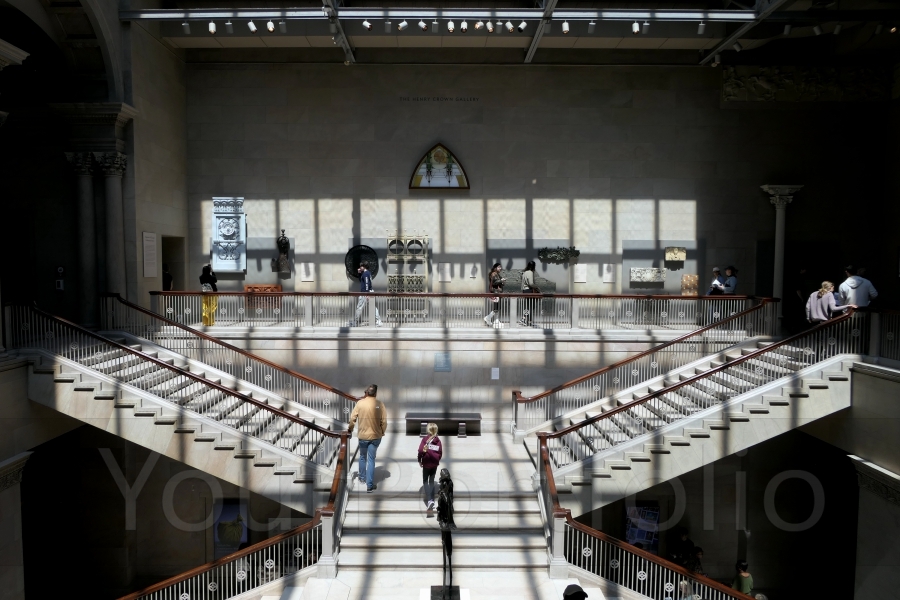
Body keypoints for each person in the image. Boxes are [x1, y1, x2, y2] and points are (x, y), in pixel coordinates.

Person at [348, 384, 386, 493]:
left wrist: (350, 429)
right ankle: (369, 486)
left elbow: (352, 418)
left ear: (367, 392)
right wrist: (382, 431)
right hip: (375, 436)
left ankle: (362, 478)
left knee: (362, 457)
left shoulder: (360, 403)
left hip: (363, 437)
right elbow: (384, 421)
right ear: (376, 393)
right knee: (371, 459)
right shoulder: (380, 404)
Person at [417, 422, 443, 510]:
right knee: (431, 481)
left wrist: (419, 460)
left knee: (425, 481)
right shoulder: (438, 441)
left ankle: (430, 500)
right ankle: (431, 499)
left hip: (426, 464)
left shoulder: (425, 440)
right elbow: (440, 453)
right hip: (434, 464)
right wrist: (436, 459)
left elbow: (420, 451)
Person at [352, 262, 382, 327]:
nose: (360, 267)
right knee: (373, 307)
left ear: (364, 267)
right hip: (368, 292)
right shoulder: (367, 273)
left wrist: (367, 293)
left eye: (361, 266)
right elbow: (362, 281)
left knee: (359, 307)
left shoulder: (365, 274)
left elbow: (366, 284)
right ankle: (379, 321)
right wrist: (359, 273)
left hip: (365, 293)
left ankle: (355, 322)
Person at [518, 260, 538, 327]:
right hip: (529, 290)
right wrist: (537, 287)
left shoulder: (524, 272)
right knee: (531, 306)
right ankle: (527, 320)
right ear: (533, 266)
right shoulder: (530, 272)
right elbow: (531, 283)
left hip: (525, 290)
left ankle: (525, 320)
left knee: (529, 306)